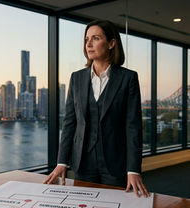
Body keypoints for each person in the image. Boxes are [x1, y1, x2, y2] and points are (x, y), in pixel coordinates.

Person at [44, 19, 149, 198]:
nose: (89, 44)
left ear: (111, 43)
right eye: (86, 39)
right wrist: (62, 161)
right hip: (83, 162)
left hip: (116, 163)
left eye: (96, 38)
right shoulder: (76, 78)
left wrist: (133, 170)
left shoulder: (128, 78)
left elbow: (133, 127)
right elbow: (70, 123)